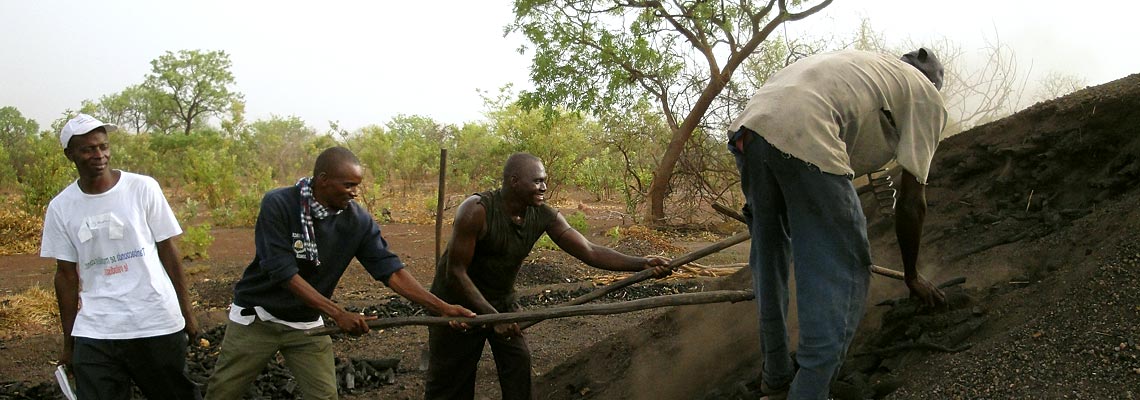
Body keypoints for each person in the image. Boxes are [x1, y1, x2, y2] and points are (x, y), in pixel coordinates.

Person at [727, 48, 950, 400]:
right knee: (842, 271)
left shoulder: (867, 66)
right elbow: (911, 203)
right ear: (934, 81)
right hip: (809, 129)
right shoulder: (926, 96)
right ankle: (811, 392)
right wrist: (911, 275)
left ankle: (775, 381)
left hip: (752, 129)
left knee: (769, 259)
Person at [205, 146, 474, 400]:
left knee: (324, 395)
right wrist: (337, 313)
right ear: (322, 180)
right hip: (258, 318)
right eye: (348, 185)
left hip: (306, 323)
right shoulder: (280, 204)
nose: (355, 193)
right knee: (224, 391)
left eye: (356, 185)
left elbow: (390, 271)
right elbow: (281, 271)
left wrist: (442, 308)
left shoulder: (356, 220)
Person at [424, 152, 671, 400]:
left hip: (501, 302)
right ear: (514, 181)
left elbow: (589, 250)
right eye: (538, 181)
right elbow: (455, 272)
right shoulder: (476, 211)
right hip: (456, 303)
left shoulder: (542, 214)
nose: (544, 187)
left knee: (518, 366)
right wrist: (492, 317)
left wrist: (642, 263)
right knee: (452, 382)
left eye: (545, 181)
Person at [41, 114, 200, 399]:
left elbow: (168, 249)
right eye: (88, 149)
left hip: (154, 319)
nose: (99, 155)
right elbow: (65, 275)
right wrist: (70, 340)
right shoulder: (61, 207)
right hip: (97, 327)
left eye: (103, 146)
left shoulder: (142, 188)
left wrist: (186, 313)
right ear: (70, 155)